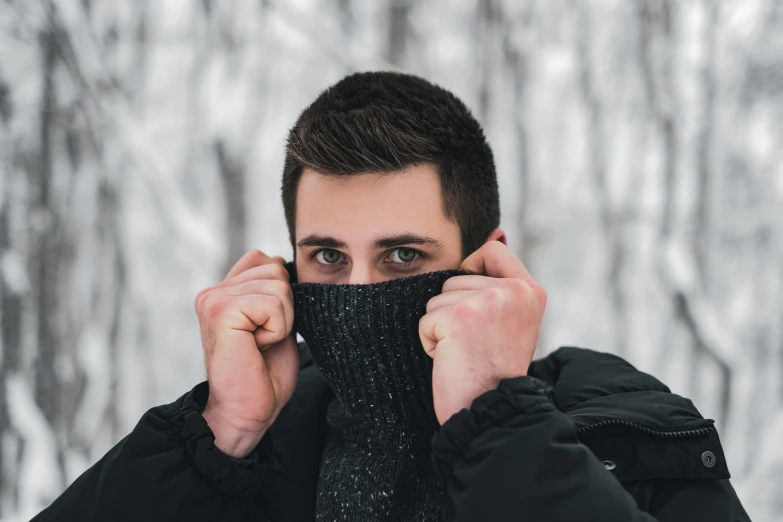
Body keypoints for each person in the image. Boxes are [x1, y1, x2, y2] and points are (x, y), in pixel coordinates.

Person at [32, 72, 749, 522]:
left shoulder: (633, 434)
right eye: (327, 257)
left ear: (486, 263)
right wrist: (221, 436)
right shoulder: (247, 456)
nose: (360, 293)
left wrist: (495, 424)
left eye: (403, 255)